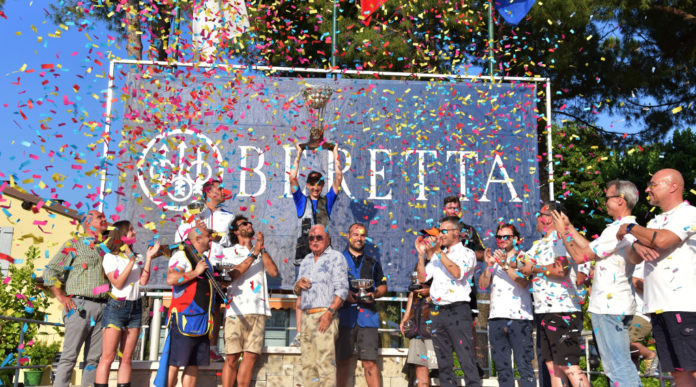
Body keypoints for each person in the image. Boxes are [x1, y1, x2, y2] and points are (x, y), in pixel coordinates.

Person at [552, 180, 642, 386]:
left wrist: (563, 232)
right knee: (619, 364)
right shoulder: (620, 228)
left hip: (608, 307)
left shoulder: (618, 229)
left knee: (617, 366)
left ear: (620, 200)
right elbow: (591, 249)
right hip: (617, 304)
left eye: (608, 197)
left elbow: (579, 256)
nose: (605, 201)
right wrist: (569, 227)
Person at [617, 168, 696, 386]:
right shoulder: (653, 223)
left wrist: (631, 228)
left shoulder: (689, 214)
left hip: (684, 306)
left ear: (673, 186)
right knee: (679, 372)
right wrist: (636, 244)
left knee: (693, 368)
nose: (647, 189)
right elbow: (633, 258)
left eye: (653, 184)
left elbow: (662, 240)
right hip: (658, 308)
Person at [517, 202, 589, 387]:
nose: (543, 218)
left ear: (558, 217)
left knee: (569, 366)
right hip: (544, 310)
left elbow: (561, 269)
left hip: (562, 310)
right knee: (553, 367)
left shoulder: (562, 238)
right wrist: (509, 261)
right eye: (541, 214)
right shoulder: (540, 243)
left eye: (548, 215)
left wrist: (534, 268)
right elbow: (523, 265)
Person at [43, 210, 109, 387]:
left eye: (104, 216)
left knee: (93, 360)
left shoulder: (107, 247)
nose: (105, 219)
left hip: (103, 307)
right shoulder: (74, 244)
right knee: (69, 356)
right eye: (99, 217)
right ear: (88, 222)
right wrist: (61, 297)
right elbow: (50, 271)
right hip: (79, 305)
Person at [415, 216, 481, 387]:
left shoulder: (467, 253)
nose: (441, 234)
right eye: (440, 230)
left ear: (456, 233)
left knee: (466, 360)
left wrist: (438, 251)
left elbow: (457, 272)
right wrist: (422, 255)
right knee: (443, 364)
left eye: (444, 231)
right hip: (437, 311)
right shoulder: (439, 255)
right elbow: (422, 278)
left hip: (458, 310)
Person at [175, 178, 235, 361]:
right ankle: (190, 340)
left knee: (216, 305)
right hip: (195, 262)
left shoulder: (228, 216)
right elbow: (180, 235)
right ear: (209, 192)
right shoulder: (192, 210)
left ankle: (212, 346)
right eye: (219, 188)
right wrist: (194, 227)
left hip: (216, 263)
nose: (223, 191)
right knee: (195, 301)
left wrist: (216, 237)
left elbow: (230, 242)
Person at [289, 144, 343, 346]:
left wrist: (335, 153)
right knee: (302, 292)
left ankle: (323, 327)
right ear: (308, 185)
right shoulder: (300, 201)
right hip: (304, 250)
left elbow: (338, 179)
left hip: (324, 252)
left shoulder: (327, 201)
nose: (315, 187)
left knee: (326, 289)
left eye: (318, 184)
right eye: (312, 184)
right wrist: (299, 153)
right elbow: (292, 179)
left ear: (321, 186)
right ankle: (300, 333)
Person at [95, 220, 159, 387]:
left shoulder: (137, 256)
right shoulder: (110, 257)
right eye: (131, 230)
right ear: (122, 235)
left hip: (135, 307)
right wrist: (130, 262)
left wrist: (148, 258)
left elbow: (143, 281)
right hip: (116, 308)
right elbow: (117, 283)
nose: (135, 233)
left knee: (127, 357)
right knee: (108, 357)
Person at [221, 216, 278, 387]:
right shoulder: (229, 251)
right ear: (236, 231)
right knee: (231, 357)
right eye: (244, 224)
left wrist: (261, 249)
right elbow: (233, 275)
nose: (249, 225)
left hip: (258, 308)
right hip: (235, 309)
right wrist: (254, 253)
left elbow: (273, 272)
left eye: (250, 223)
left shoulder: (260, 251)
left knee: (251, 355)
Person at [477, 224, 536, 387]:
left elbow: (524, 282)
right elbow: (482, 285)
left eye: (506, 237)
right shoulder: (495, 260)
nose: (501, 240)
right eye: (499, 237)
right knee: (502, 369)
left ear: (515, 239)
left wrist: (504, 265)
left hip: (519, 318)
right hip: (496, 318)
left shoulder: (524, 257)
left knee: (524, 366)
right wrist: (489, 267)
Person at [293, 225, 348, 387]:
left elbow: (343, 289)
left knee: (325, 364)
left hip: (325, 314)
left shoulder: (336, 257)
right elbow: (297, 291)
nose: (315, 241)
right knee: (308, 364)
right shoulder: (306, 260)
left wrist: (329, 313)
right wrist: (298, 285)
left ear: (328, 239)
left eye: (319, 237)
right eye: (311, 238)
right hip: (306, 316)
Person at [336, 223, 387, 387]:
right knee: (342, 362)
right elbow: (330, 285)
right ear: (348, 236)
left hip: (368, 318)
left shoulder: (373, 262)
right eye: (355, 234)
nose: (359, 238)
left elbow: (383, 286)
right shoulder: (337, 260)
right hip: (344, 318)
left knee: (370, 363)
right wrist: (344, 294)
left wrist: (375, 294)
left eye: (362, 235)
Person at [165, 223, 216, 387]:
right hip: (184, 316)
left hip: (202, 318)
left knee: (193, 362)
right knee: (175, 362)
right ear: (198, 239)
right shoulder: (181, 256)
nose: (211, 239)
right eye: (208, 236)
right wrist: (196, 272)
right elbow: (171, 279)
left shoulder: (203, 258)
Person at [442, 195, 488, 377]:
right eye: (449, 208)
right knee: (442, 327)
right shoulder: (438, 230)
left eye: (455, 208)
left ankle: (471, 363)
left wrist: (466, 252)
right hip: (442, 287)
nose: (453, 211)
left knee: (469, 325)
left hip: (465, 287)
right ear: (444, 210)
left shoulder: (469, 230)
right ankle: (446, 366)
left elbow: (482, 253)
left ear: (460, 210)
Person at [400, 228, 439, 387]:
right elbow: (413, 292)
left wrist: (431, 290)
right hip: (417, 322)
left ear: (439, 239)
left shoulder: (443, 260)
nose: (427, 239)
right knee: (420, 366)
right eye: (425, 236)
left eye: (431, 236)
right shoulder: (421, 261)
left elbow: (450, 288)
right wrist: (405, 317)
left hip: (435, 322)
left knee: (439, 369)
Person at [629, 261, 659, 375]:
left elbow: (652, 287)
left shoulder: (646, 264)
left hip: (641, 312)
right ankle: (633, 378)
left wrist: (626, 278)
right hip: (626, 311)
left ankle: (649, 355)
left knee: (629, 342)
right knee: (629, 354)